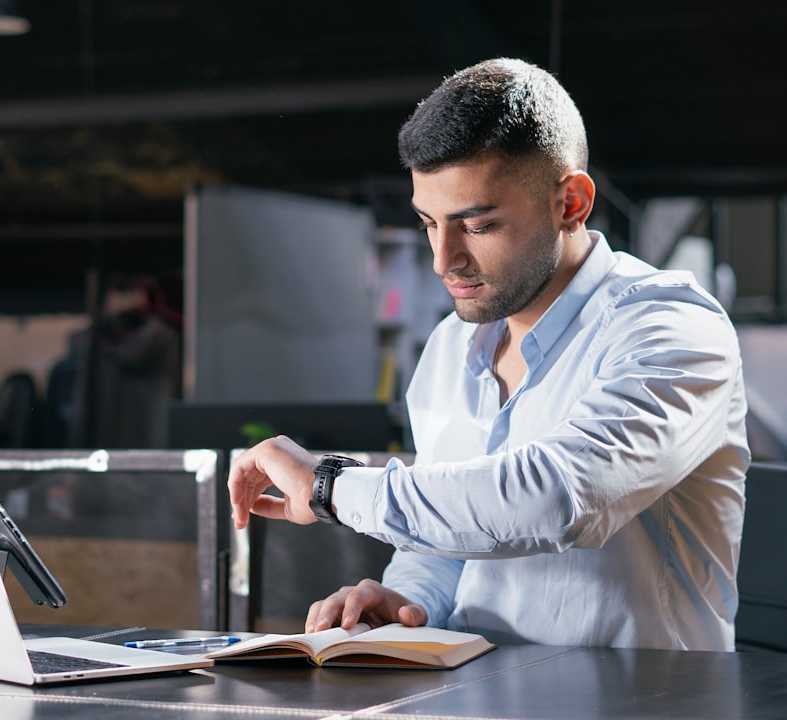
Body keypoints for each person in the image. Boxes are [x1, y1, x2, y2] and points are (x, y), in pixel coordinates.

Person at [227, 58, 749, 651]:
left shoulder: (671, 326)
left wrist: (329, 487)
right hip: (476, 695)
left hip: (644, 706)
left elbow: (556, 498)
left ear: (571, 203)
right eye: (430, 224)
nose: (442, 261)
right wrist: (411, 602)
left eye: (476, 226)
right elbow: (451, 542)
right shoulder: (451, 347)